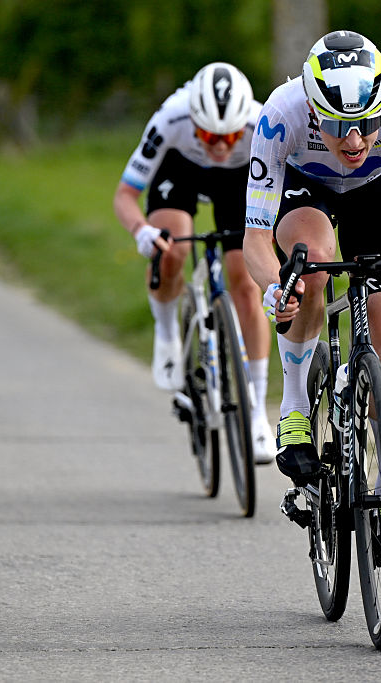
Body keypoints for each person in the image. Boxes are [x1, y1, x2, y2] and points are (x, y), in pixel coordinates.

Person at [243, 31, 381, 572]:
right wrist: (277, 288)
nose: (355, 139)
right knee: (311, 263)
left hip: (378, 192)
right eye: (341, 127)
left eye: (368, 124)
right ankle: (295, 405)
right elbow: (254, 239)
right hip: (306, 191)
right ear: (314, 110)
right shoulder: (281, 115)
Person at [114, 62, 276, 464]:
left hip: (240, 179)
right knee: (174, 248)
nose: (219, 145)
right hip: (179, 169)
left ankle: (256, 412)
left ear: (244, 125)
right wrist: (141, 232)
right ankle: (167, 332)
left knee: (245, 284)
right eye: (208, 134)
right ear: (194, 120)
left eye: (229, 136)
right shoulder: (170, 118)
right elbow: (125, 194)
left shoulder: (261, 124)